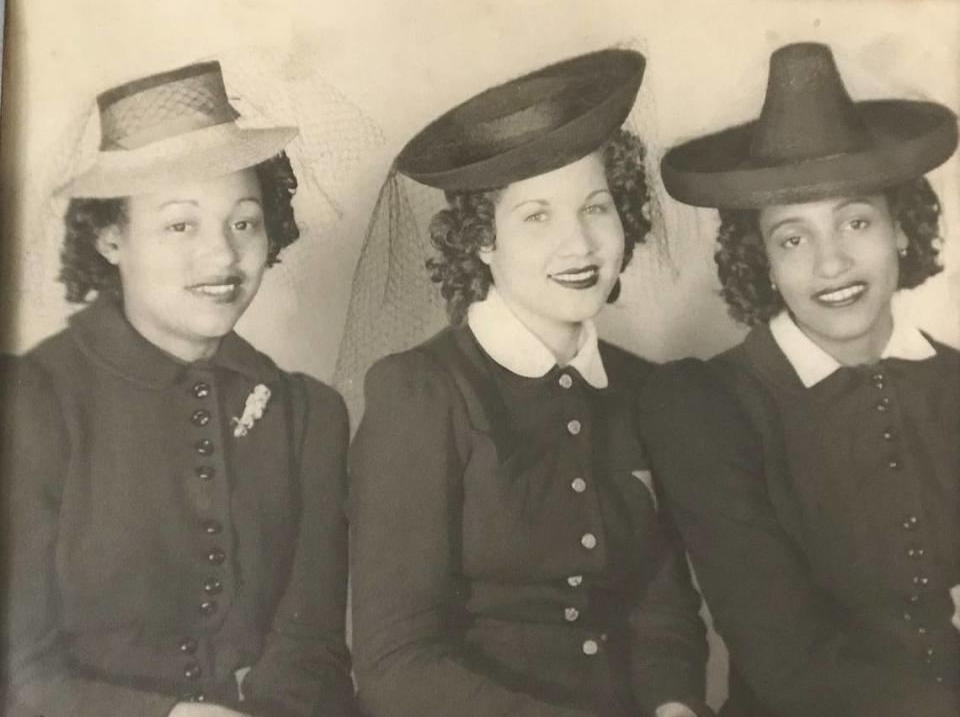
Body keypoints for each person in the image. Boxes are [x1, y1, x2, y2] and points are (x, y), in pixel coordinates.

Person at [348, 49, 711, 717]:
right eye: (537, 216)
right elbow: (395, 662)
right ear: (482, 239)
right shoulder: (423, 392)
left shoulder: (643, 392)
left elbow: (662, 612)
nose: (578, 244)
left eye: (597, 208)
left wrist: (675, 706)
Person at [2, 61, 359, 717]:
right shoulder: (30, 403)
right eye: (180, 225)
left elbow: (312, 650)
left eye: (244, 222)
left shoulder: (308, 414)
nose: (222, 257)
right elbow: (16, 674)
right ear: (111, 236)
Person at [640, 42, 960, 717]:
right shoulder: (705, 406)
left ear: (902, 230)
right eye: (793, 237)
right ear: (763, 261)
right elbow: (788, 662)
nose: (831, 262)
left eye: (856, 221)